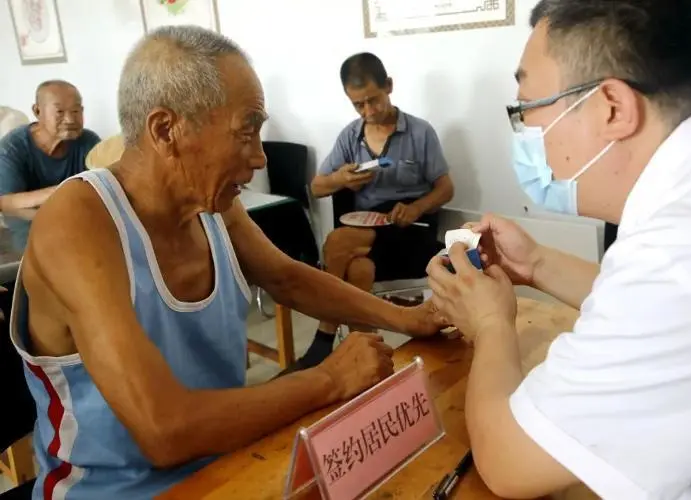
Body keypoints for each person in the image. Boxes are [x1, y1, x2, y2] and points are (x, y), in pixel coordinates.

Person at [10, 27, 445, 500]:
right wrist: (329, 377)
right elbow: (165, 429)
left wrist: (410, 318)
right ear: (165, 130)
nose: (260, 157)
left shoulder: (211, 204)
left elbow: (286, 277)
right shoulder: (78, 222)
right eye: (246, 132)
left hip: (229, 466)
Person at [427, 0, 691, 498]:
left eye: (527, 108)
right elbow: (649, 304)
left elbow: (509, 461)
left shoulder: (682, 254)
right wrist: (534, 263)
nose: (527, 134)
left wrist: (490, 325)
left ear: (612, 108)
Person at [302, 52, 454, 369]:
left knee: (337, 243)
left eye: (374, 100)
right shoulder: (350, 136)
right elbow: (316, 187)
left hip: (410, 231)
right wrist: (339, 179)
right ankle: (370, 359)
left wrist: (417, 207)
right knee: (358, 271)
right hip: (368, 231)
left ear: (389, 86)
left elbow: (446, 188)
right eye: (359, 105)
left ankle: (325, 331)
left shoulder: (420, 132)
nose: (369, 112)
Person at [0, 80, 100, 211]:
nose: (70, 120)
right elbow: (5, 202)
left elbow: (105, 184)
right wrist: (64, 190)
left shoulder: (89, 141)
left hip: (77, 216)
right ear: (37, 111)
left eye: (76, 111)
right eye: (60, 111)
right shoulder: (12, 148)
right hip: (29, 223)